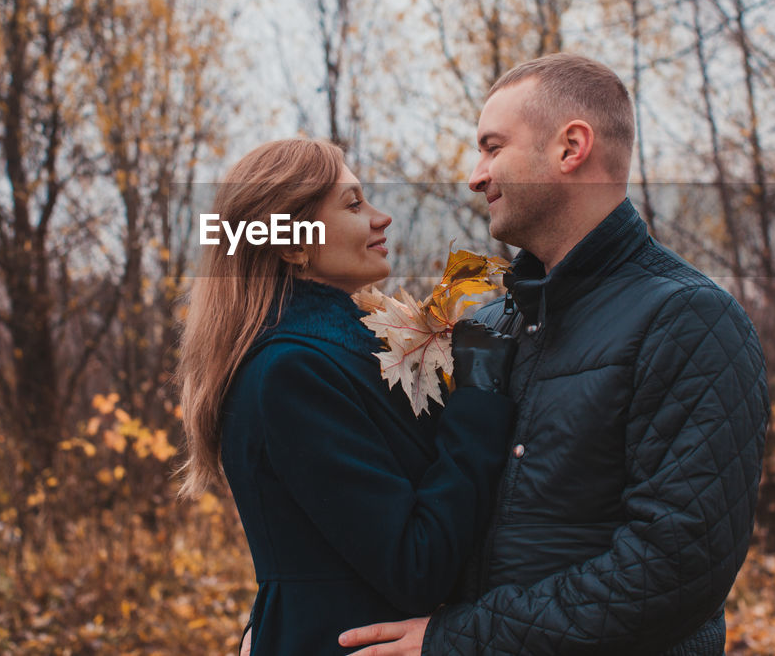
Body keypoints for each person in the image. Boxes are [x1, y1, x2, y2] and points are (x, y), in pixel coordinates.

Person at [340, 54, 769, 655]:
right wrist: (290, 618)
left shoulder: (690, 322)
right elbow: (411, 523)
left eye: (492, 147)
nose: (474, 174)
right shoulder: (488, 326)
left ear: (571, 148)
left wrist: (462, 642)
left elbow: (674, 570)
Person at [176, 138, 518, 656]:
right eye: (354, 204)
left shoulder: (337, 354)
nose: (381, 218)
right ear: (293, 244)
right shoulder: (292, 372)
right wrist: (479, 397)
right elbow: (414, 566)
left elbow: (321, 548)